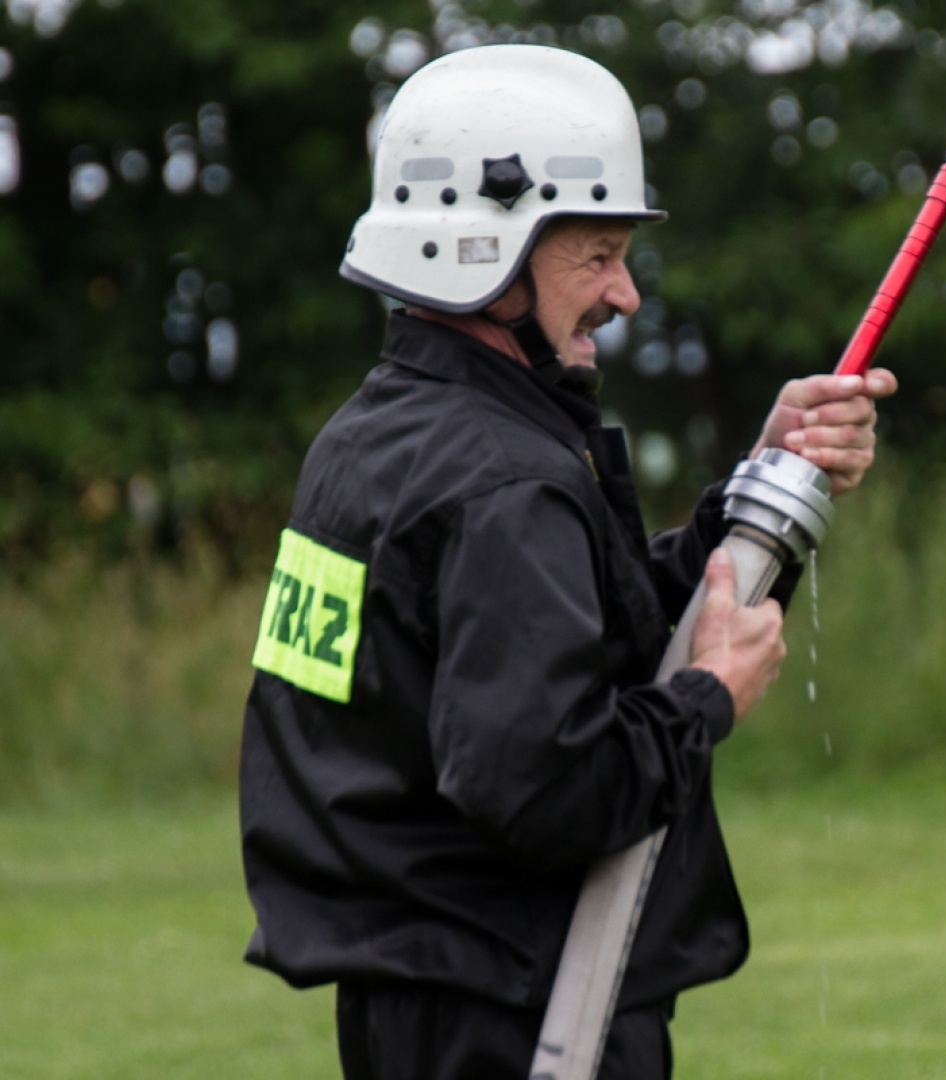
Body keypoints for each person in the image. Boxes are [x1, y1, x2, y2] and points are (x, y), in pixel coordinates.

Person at [237, 43, 896, 1080]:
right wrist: (705, 697)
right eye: (596, 255)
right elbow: (544, 787)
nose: (625, 295)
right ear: (479, 247)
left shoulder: (374, 437)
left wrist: (761, 491)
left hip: (420, 1006)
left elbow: (575, 636)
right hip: (528, 1013)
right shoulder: (503, 482)